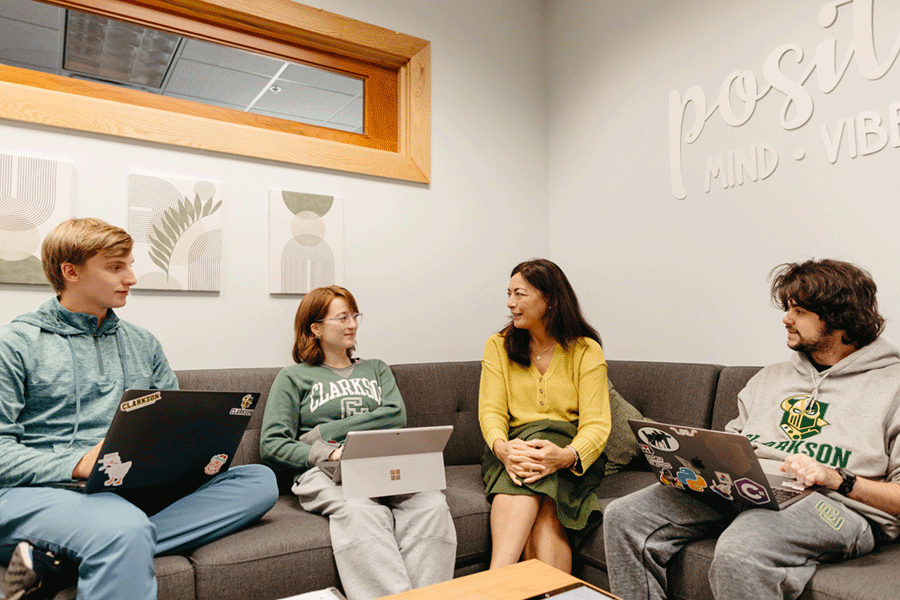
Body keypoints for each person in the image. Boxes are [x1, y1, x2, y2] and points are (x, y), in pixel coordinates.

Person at [0, 218, 278, 600]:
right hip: (41, 490)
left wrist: (191, 454)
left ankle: (60, 558)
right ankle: (110, 539)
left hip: (126, 487)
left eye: (130, 264)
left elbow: (174, 424)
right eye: (116, 267)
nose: (131, 277)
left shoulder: (142, 343)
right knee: (121, 528)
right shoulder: (16, 344)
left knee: (258, 482)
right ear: (71, 272)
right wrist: (76, 464)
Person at [604, 259, 900, 600]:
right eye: (788, 308)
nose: (786, 319)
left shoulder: (890, 387)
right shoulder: (769, 379)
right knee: (624, 516)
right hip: (748, 486)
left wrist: (836, 478)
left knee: (740, 549)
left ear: (839, 319)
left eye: (799, 310)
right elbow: (735, 443)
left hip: (835, 504)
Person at [259, 285, 456, 600]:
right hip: (326, 470)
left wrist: (322, 433)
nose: (352, 324)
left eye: (354, 316)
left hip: (383, 462)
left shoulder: (375, 368)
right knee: (361, 511)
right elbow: (272, 444)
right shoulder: (294, 377)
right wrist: (329, 451)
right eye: (342, 318)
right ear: (316, 328)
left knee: (431, 504)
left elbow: (394, 417)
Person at [479, 258, 611, 573]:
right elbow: (491, 410)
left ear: (550, 299)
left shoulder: (586, 350)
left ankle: (494, 581)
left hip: (569, 453)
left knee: (540, 457)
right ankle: (508, 587)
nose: (510, 303)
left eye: (520, 294)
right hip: (513, 449)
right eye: (508, 294)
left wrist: (566, 456)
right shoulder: (498, 346)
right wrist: (503, 449)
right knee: (543, 503)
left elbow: (596, 423)